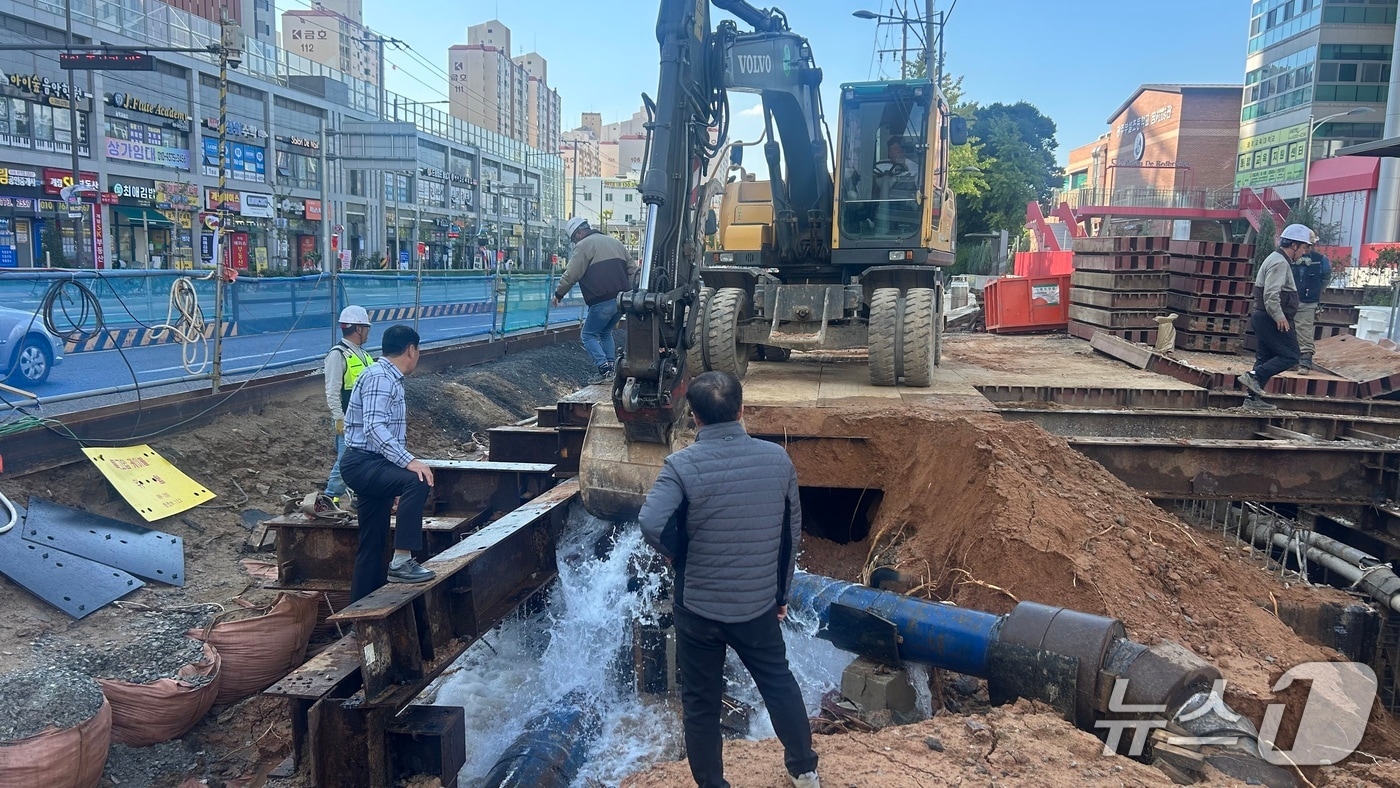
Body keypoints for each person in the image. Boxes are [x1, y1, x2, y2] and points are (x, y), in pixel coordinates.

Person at [639, 371, 820, 788]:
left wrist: (678, 551)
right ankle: (804, 770)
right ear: (741, 410)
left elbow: (650, 521)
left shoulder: (681, 465)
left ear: (694, 417)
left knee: (700, 703)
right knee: (778, 683)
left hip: (699, 608)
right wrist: (780, 595)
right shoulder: (777, 460)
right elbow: (790, 536)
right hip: (757, 605)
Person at [340, 324, 437, 602]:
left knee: (372, 543)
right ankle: (402, 561)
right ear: (411, 349)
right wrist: (409, 462)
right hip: (363, 463)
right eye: (418, 351)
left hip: (372, 463)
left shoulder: (387, 377)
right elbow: (374, 427)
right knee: (417, 480)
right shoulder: (381, 377)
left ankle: (359, 610)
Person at [1238, 223, 1312, 411]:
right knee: (1291, 355)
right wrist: (1280, 317)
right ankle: (1254, 376)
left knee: (1265, 356)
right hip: (1271, 317)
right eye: (1303, 247)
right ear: (1294, 245)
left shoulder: (1276, 259)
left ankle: (1252, 400)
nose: (1304, 252)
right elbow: (1271, 294)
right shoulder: (1280, 262)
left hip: (1263, 317)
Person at [553, 216, 633, 383]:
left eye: (574, 238)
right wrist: (632, 292)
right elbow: (633, 269)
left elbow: (571, 274)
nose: (575, 242)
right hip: (622, 300)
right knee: (605, 332)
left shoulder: (583, 246)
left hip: (602, 300)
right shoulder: (615, 242)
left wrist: (559, 293)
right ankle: (611, 370)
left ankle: (604, 368)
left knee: (588, 335)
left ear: (579, 233)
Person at [321, 305, 374, 512]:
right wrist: (338, 417)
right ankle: (329, 498)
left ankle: (358, 497)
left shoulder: (362, 355)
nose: (368, 331)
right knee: (346, 461)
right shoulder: (338, 355)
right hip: (350, 421)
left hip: (365, 419)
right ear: (358, 329)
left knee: (363, 459)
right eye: (366, 327)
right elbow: (332, 389)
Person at [1290, 237, 1332, 370]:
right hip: (1290, 298)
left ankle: (1305, 359)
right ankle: (1289, 359)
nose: (1308, 248)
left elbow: (1325, 278)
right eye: (1305, 245)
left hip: (1308, 300)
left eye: (1310, 245)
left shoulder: (1321, 260)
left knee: (1304, 328)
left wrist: (1316, 291)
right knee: (1287, 329)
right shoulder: (1290, 258)